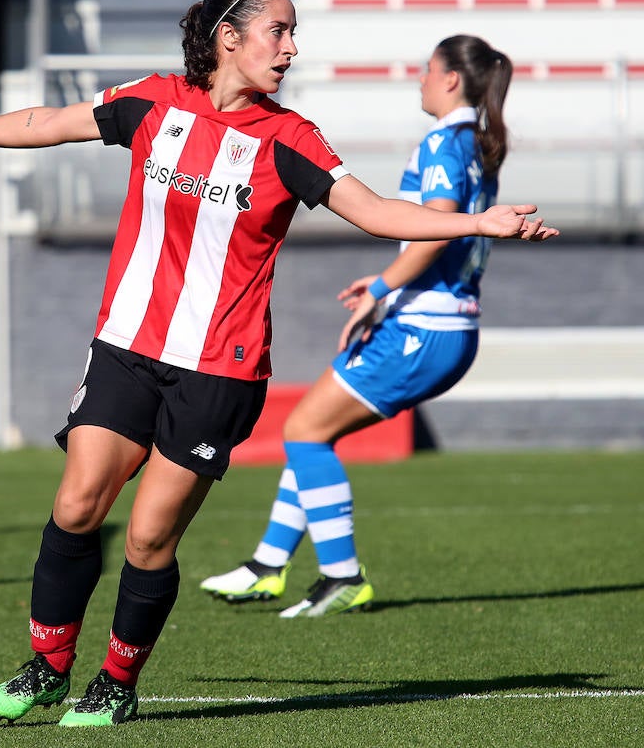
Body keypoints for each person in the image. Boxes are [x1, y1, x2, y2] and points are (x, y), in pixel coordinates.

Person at [0, 0, 557, 727]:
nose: (291, 48)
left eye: (294, 34)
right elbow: (52, 122)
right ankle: (47, 666)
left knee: (148, 537)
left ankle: (116, 682)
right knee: (76, 506)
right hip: (127, 345)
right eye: (279, 31)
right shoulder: (152, 101)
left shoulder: (291, 138)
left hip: (218, 368)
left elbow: (371, 211)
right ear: (229, 38)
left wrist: (477, 223)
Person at [199, 34, 516, 618]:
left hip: (423, 328)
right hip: (440, 324)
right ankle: (268, 564)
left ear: (450, 79)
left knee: (304, 431)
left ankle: (341, 575)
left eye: (428, 68)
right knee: (313, 430)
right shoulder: (477, 143)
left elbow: (437, 231)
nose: (421, 78)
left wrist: (380, 288)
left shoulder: (445, 142)